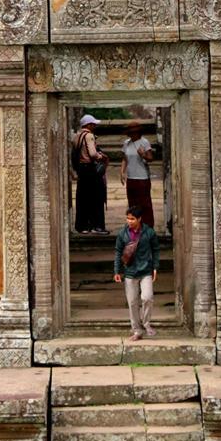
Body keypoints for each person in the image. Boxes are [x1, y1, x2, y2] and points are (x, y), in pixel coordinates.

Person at [114, 205, 160, 341]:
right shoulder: (123, 234)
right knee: (132, 302)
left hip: (146, 271)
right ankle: (136, 330)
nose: (129, 221)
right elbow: (118, 252)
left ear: (139, 219)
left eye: (132, 219)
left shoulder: (149, 233)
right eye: (127, 218)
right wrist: (117, 270)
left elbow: (156, 249)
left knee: (147, 297)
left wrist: (155, 267)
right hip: (129, 273)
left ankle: (146, 323)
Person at [71, 114, 110, 234]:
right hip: (90, 168)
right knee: (97, 197)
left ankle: (82, 226)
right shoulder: (89, 136)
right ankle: (97, 226)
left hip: (81, 169)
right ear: (88, 125)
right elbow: (93, 154)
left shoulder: (77, 136)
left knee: (83, 198)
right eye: (93, 124)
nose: (94, 126)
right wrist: (101, 156)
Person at [120, 120, 155, 228]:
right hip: (131, 178)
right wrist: (122, 172)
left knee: (145, 204)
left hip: (142, 178)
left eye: (134, 132)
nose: (132, 134)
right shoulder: (126, 143)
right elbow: (125, 159)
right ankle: (135, 225)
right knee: (133, 204)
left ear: (138, 132)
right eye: (130, 132)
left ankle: (147, 226)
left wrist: (143, 154)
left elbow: (150, 158)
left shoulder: (144, 142)